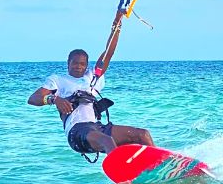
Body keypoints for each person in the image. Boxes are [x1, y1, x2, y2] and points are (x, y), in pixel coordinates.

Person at [28, 9, 154, 158]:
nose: (78, 67)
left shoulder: (93, 79)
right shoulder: (58, 80)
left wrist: (117, 23)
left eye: (82, 64)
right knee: (107, 140)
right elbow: (33, 99)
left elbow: (108, 53)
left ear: (87, 65)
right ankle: (122, 174)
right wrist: (54, 99)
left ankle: (160, 166)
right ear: (68, 63)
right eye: (74, 63)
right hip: (77, 132)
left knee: (142, 134)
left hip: (96, 128)